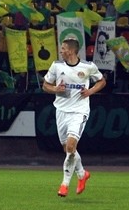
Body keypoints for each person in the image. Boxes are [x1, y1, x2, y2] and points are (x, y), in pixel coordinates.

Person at [43, 36, 106, 197]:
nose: (61, 51)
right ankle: (82, 174)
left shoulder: (88, 66)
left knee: (71, 146)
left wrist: (90, 91)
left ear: (71, 51)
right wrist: (55, 89)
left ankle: (64, 185)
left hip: (79, 111)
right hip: (61, 111)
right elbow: (45, 85)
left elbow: (102, 81)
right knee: (67, 148)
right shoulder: (57, 66)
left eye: (63, 49)